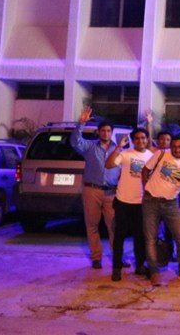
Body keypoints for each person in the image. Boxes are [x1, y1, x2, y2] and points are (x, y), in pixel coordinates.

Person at [141, 135, 180, 285]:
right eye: (174, 146)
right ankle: (154, 272)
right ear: (171, 147)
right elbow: (145, 170)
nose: (177, 149)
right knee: (151, 238)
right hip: (151, 201)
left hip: (171, 204)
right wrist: (146, 188)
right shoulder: (161, 153)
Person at [70, 106, 120, 269]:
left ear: (112, 132)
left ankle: (117, 258)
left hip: (111, 192)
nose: (105, 133)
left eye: (108, 130)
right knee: (92, 225)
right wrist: (81, 123)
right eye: (103, 131)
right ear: (98, 133)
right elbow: (75, 141)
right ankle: (96, 257)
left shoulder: (118, 150)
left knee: (114, 226)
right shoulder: (90, 147)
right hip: (92, 190)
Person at [105, 126, 153, 281]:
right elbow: (109, 164)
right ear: (133, 141)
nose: (141, 141)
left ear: (147, 140)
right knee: (119, 236)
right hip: (123, 202)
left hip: (141, 203)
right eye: (137, 138)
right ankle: (117, 267)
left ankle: (140, 266)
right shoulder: (125, 154)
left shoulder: (151, 156)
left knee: (140, 236)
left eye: (143, 138)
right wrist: (118, 147)